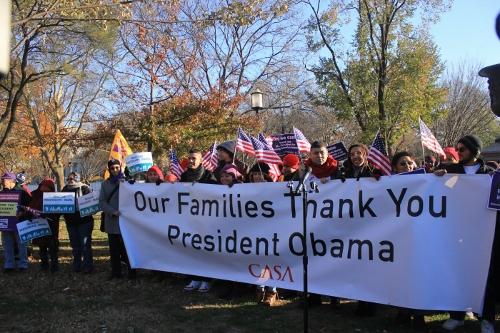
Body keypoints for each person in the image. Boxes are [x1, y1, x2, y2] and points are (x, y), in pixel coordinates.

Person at [434, 135, 496, 333]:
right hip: (457, 234)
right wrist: (438, 179)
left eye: (462, 149)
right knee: (457, 274)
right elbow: (444, 193)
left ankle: (486, 318)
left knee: (486, 278)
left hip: (483, 236)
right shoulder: (451, 171)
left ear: (474, 151)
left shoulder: (491, 174)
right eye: (457, 149)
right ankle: (457, 315)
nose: (458, 153)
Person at [181, 149, 216, 293]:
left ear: (201, 160)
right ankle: (194, 278)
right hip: (190, 219)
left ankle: (206, 280)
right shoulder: (183, 176)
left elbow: (216, 194)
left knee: (205, 250)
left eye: (194, 158)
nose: (191, 161)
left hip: (206, 219)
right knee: (191, 249)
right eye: (189, 158)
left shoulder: (209, 176)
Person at [100, 159, 136, 279]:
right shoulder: (105, 184)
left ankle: (132, 272)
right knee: (114, 251)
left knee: (127, 249)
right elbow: (102, 202)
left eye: (117, 167)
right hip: (112, 222)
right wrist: (112, 211)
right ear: (109, 170)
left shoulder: (127, 181)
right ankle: (116, 272)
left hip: (126, 222)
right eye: (112, 168)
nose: (115, 170)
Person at [61, 172, 94, 274]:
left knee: (85, 245)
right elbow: (61, 203)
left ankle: (88, 266)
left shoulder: (85, 188)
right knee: (75, 245)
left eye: (73, 178)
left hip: (84, 222)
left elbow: (92, 203)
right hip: (71, 222)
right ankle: (77, 265)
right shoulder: (65, 189)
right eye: (69, 178)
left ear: (77, 178)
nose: (70, 180)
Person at [1, 172, 31, 272]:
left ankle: (23, 264)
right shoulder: (2, 193)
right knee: (7, 243)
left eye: (4, 180)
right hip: (6, 223)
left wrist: (22, 213)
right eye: (2, 180)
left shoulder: (22, 192)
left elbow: (30, 206)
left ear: (11, 181)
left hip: (20, 222)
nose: (2, 182)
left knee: (21, 244)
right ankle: (9, 264)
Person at [29, 178, 60, 272]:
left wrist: (49, 214)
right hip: (39, 224)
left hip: (51, 224)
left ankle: (54, 266)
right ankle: (44, 265)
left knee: (52, 246)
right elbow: (30, 207)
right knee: (42, 246)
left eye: (46, 186)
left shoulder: (55, 197)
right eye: (42, 185)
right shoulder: (35, 195)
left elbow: (59, 211)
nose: (43, 187)